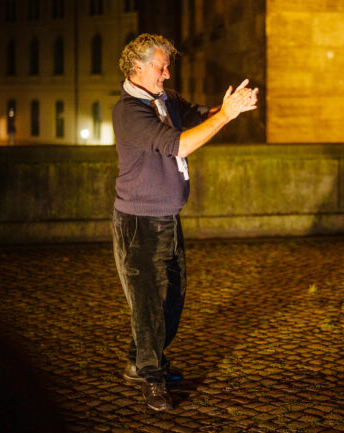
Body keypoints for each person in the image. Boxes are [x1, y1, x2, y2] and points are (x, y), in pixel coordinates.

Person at [111, 33, 257, 412]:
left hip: (167, 218)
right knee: (148, 306)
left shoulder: (165, 100)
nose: (167, 73)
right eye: (161, 66)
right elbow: (180, 145)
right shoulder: (130, 110)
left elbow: (196, 115)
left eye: (166, 65)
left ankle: (138, 359)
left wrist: (226, 108)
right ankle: (152, 378)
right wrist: (226, 117)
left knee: (171, 301)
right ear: (138, 68)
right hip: (139, 223)